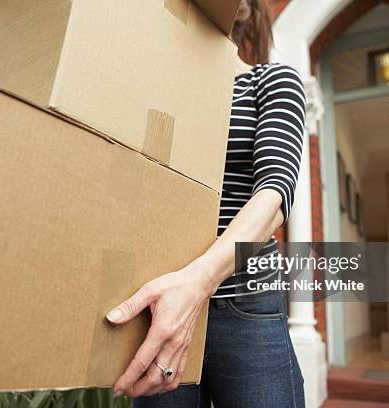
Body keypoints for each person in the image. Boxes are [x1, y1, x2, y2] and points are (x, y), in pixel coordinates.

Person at [106, 0, 306, 406]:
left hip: (245, 303)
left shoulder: (271, 82)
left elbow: (274, 194)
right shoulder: (156, 92)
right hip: (160, 303)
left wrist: (197, 284)